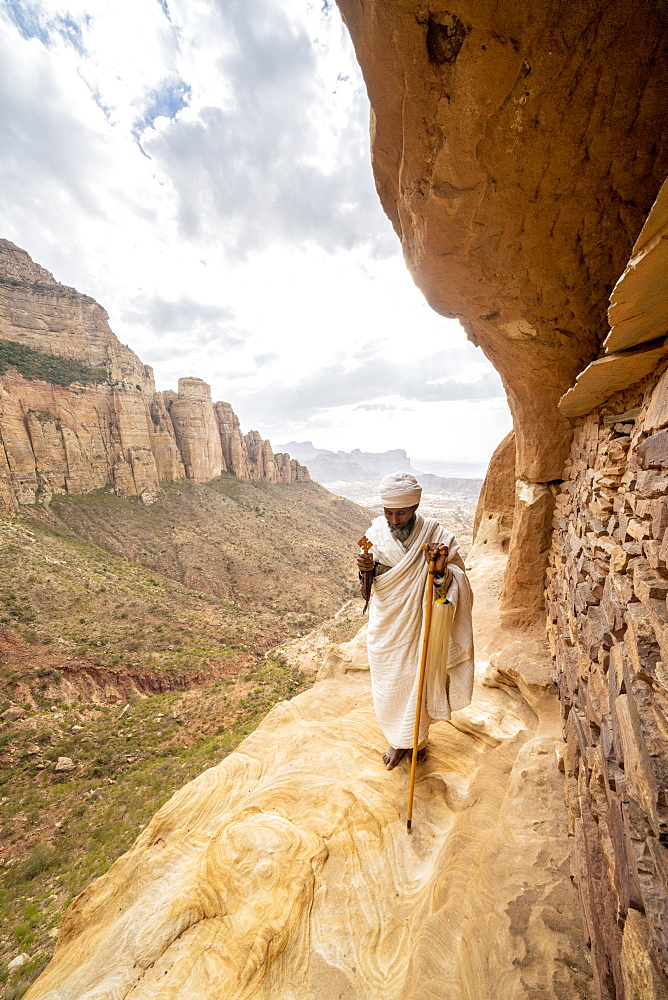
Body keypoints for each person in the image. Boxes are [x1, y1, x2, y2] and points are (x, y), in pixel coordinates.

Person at [357, 472, 474, 770]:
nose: (394, 520)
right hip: (389, 624)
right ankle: (397, 741)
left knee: (419, 679)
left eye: (401, 512)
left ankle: (418, 739)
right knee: (390, 682)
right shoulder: (374, 533)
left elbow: (457, 582)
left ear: (416, 505)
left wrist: (438, 571)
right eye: (388, 512)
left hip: (422, 622)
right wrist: (366, 570)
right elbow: (368, 586)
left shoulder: (438, 536)